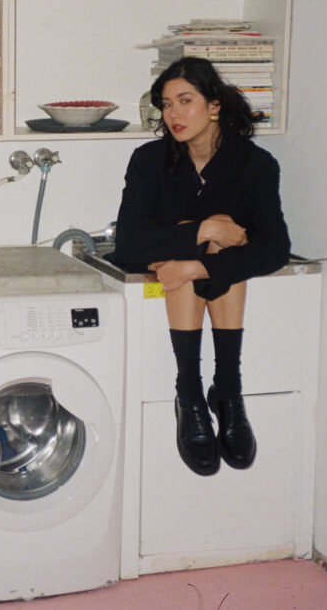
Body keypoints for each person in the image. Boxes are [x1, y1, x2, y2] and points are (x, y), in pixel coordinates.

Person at [113, 57, 290, 476]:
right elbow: (128, 245)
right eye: (166, 104)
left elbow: (276, 248)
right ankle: (190, 392)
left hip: (192, 278)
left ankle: (227, 388)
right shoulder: (149, 160)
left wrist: (195, 267)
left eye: (185, 101)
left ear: (214, 105)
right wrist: (203, 229)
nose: (173, 114)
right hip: (178, 278)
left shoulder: (256, 164)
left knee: (212, 248)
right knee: (210, 234)